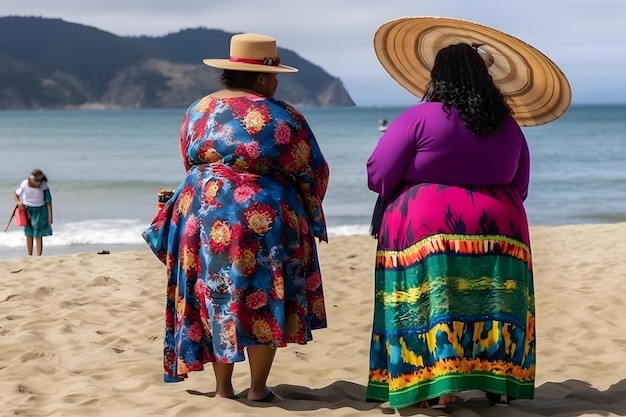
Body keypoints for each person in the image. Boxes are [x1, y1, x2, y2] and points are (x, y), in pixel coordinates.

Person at [142, 33, 329, 403]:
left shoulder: (198, 109)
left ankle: (223, 388)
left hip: (204, 213)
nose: (276, 84)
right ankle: (258, 389)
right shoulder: (283, 114)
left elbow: (189, 159)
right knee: (262, 297)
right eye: (275, 76)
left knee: (215, 296)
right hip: (263, 215)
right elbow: (313, 169)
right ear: (261, 77)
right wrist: (309, 209)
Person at [365, 43, 535, 409]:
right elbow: (521, 184)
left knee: (432, 305)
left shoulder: (419, 118)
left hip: (429, 226)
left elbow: (378, 173)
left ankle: (435, 389)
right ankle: (495, 380)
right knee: (492, 305)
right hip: (501, 228)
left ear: (437, 77)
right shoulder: (507, 124)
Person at [13, 168, 53, 256]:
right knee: (29, 233)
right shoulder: (24, 184)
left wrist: (50, 217)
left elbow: (48, 201)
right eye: (36, 180)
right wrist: (19, 202)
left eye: (39, 180)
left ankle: (39, 255)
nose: (38, 183)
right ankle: (29, 255)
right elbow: (15, 195)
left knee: (38, 234)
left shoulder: (44, 185)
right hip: (26, 210)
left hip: (40, 211)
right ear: (31, 179)